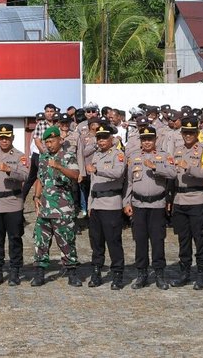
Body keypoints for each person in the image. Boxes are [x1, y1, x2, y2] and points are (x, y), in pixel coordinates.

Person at [30, 125, 83, 287]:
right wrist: (36, 196)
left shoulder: (68, 156)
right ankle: (39, 273)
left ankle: (72, 272)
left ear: (60, 140)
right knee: (40, 241)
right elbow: (40, 179)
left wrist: (59, 166)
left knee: (66, 240)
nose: (49, 144)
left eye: (52, 141)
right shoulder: (44, 157)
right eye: (46, 142)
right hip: (45, 207)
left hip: (63, 208)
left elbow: (76, 175)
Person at [0, 124, 30, 286]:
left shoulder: (19, 156)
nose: (4, 140)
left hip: (12, 203)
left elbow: (25, 175)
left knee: (15, 238)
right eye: (1, 138)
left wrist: (9, 170)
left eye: (7, 137)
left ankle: (15, 271)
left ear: (12, 138)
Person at [125, 125, 173, 290]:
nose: (147, 142)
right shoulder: (133, 157)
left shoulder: (164, 156)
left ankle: (159, 274)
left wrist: (155, 167)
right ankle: (142, 274)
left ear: (155, 139)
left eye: (149, 139)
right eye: (144, 139)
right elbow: (129, 182)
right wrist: (126, 202)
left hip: (157, 204)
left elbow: (173, 173)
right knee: (140, 240)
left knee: (158, 240)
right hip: (138, 204)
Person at [168, 116, 203, 289]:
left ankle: (202, 273)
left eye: (191, 132)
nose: (188, 135)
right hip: (179, 199)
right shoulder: (177, 150)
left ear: (197, 133)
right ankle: (184, 272)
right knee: (183, 239)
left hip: (197, 199)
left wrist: (189, 167)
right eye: (185, 132)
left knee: (199, 238)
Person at [84, 123, 130, 289]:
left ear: (112, 138)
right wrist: (89, 204)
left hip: (111, 204)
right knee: (96, 242)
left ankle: (118, 273)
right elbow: (93, 184)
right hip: (96, 204)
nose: (101, 141)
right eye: (99, 138)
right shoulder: (96, 155)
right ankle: (96, 271)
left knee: (113, 241)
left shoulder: (118, 155)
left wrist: (97, 170)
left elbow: (118, 173)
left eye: (104, 137)